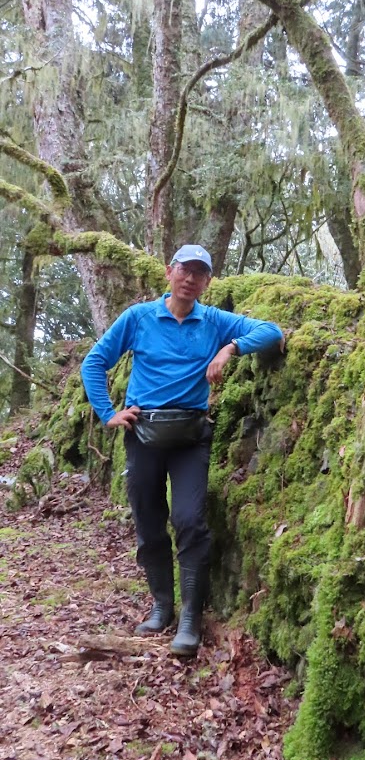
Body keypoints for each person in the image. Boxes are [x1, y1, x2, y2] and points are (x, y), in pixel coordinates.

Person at [81, 244, 283, 656]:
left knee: (190, 520)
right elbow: (94, 361)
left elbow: (271, 331)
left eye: (200, 274)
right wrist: (107, 413)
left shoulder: (213, 320)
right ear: (170, 272)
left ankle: (191, 617)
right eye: (184, 270)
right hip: (143, 434)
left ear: (207, 282)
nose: (190, 279)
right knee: (149, 520)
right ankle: (162, 605)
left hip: (191, 437)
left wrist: (231, 348)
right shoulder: (138, 318)